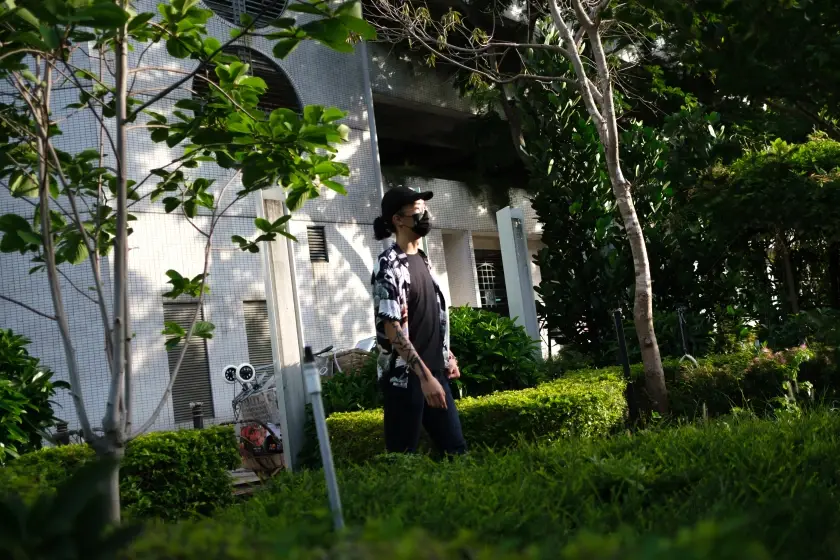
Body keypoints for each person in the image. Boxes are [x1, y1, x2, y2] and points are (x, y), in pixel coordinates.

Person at [371, 187, 467, 456]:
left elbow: (426, 318)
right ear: (397, 219)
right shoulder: (388, 265)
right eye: (417, 210)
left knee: (456, 451)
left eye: (425, 209)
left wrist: (447, 356)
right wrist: (424, 378)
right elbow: (392, 328)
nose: (425, 215)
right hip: (405, 378)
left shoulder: (423, 260)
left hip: (435, 372)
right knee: (402, 459)